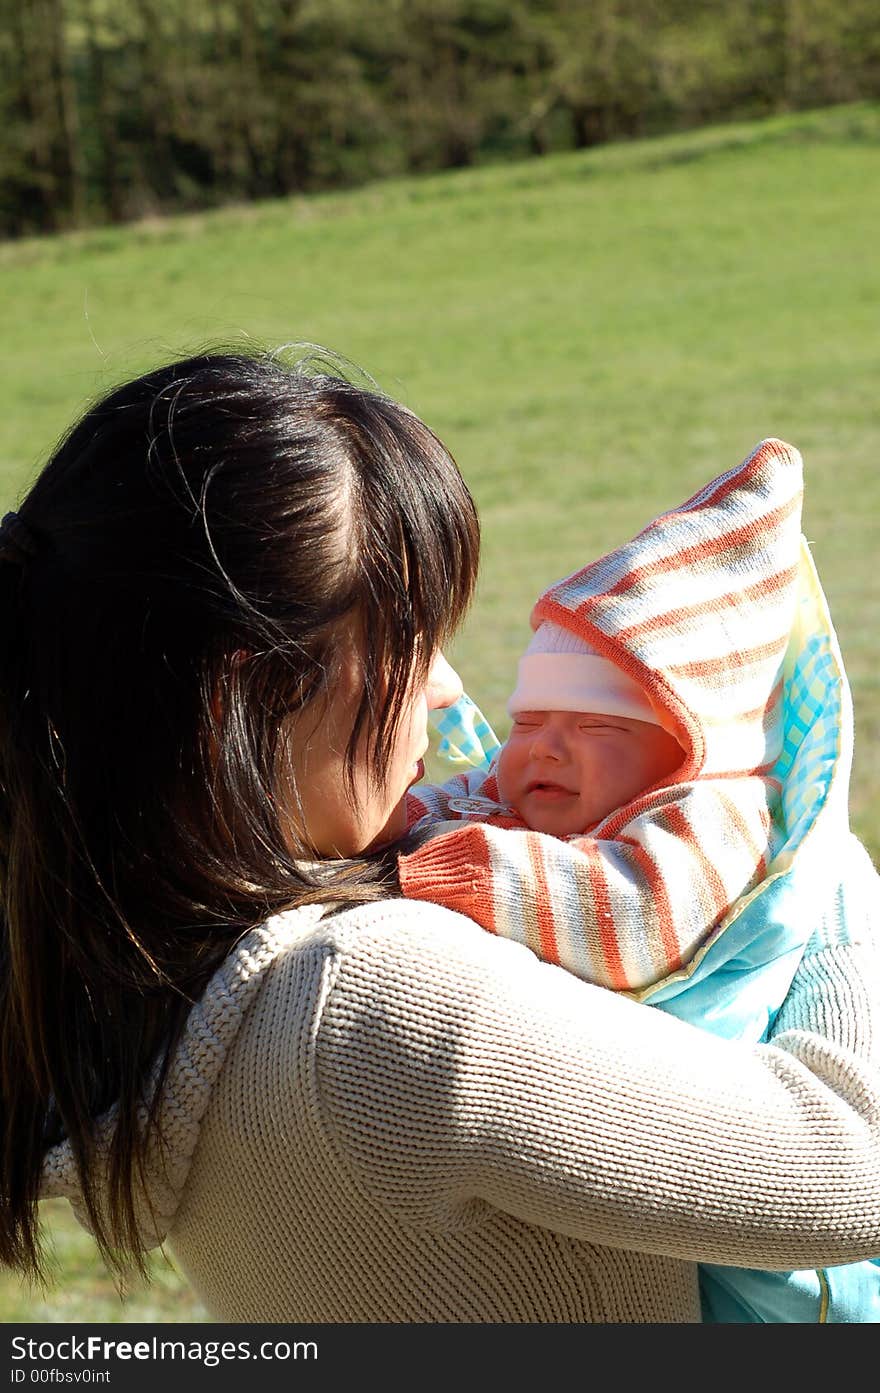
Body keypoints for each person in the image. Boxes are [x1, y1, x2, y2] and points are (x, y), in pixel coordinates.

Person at [2, 350, 880, 1324]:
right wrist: (804, 840)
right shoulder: (377, 1001)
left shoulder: (139, 959)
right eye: (408, 646)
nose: (443, 691)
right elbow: (852, 1171)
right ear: (238, 701)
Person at [398, 438, 880, 1319]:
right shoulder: (551, 790)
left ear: (690, 748)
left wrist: (445, 862)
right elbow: (473, 796)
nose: (543, 746)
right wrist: (416, 817)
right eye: (530, 719)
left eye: (596, 725)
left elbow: (627, 918)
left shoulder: (714, 821)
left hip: (762, 1225)